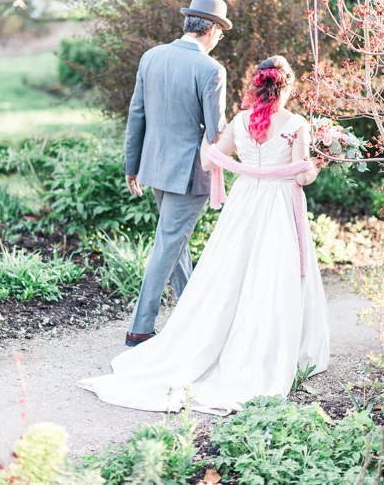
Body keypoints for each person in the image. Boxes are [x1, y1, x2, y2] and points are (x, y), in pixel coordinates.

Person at [79, 56, 331, 415]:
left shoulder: (241, 122)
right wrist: (317, 161)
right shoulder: (296, 124)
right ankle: (273, 348)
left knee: (231, 272)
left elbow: (210, 160)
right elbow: (303, 178)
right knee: (274, 273)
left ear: (256, 86)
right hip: (276, 204)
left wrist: (221, 148)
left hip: (245, 203)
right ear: (287, 86)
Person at [122, 0, 229, 346]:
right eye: (221, 31)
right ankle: (140, 328)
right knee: (168, 243)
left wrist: (132, 165)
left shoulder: (151, 57)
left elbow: (136, 114)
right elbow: (216, 133)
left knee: (173, 243)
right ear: (210, 28)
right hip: (187, 173)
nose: (221, 38)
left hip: (154, 166)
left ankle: (188, 314)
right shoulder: (211, 70)